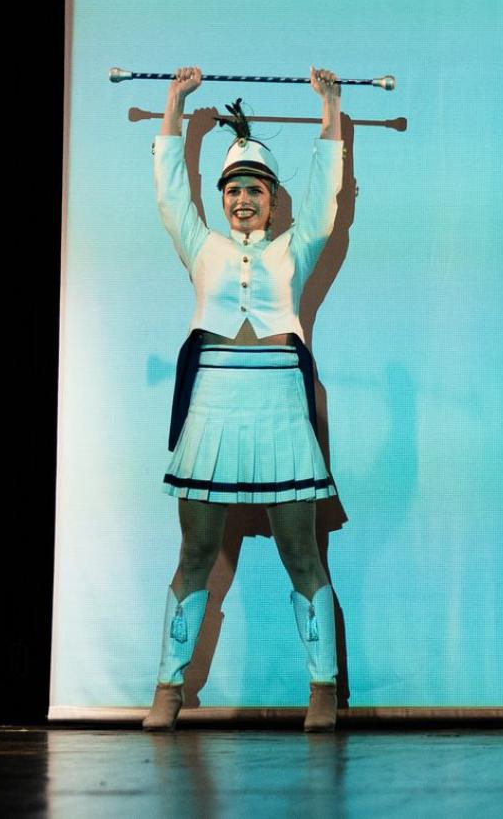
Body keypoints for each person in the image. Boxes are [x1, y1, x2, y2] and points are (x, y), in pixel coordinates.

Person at [143, 66, 345, 732]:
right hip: (215, 406)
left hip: (280, 406)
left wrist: (330, 111)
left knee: (301, 554)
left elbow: (325, 198)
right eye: (232, 190)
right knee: (195, 555)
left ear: (273, 199)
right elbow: (171, 192)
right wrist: (174, 105)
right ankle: (168, 687)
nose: (241, 200)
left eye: (254, 189)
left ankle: (322, 688)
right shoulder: (202, 248)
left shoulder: (295, 250)